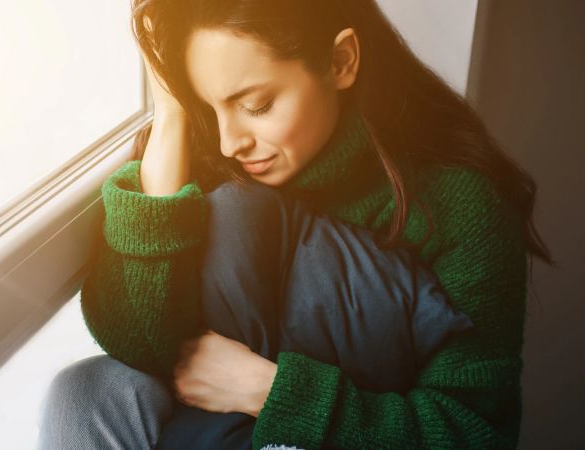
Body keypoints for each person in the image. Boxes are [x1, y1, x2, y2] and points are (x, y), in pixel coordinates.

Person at [39, 0, 554, 449]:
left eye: (256, 105)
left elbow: (474, 433)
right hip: (204, 424)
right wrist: (172, 117)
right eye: (207, 106)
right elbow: (140, 341)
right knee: (86, 392)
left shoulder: (458, 206)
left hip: (338, 429)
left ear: (340, 61)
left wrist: (268, 390)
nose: (228, 142)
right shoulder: (215, 155)